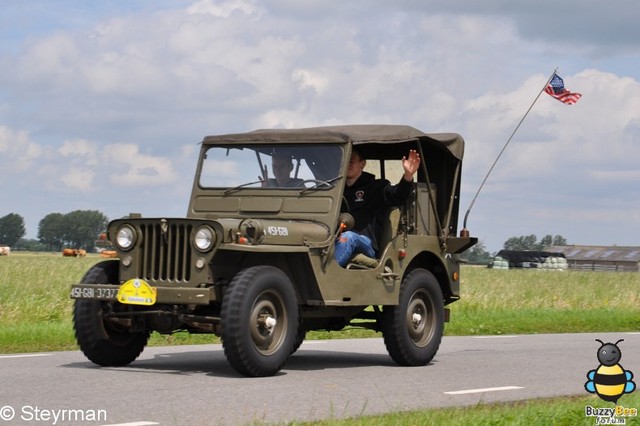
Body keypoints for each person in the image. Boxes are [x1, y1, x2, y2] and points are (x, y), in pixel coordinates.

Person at [334, 147, 421, 267]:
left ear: (362, 164)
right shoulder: (336, 190)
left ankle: (323, 277)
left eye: (352, 161)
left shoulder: (376, 187)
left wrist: (408, 176)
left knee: (348, 237)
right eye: (345, 161)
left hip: (365, 243)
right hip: (336, 238)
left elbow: (397, 196)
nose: (347, 164)